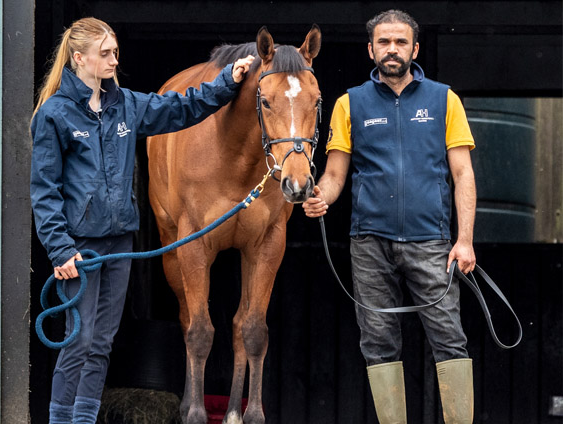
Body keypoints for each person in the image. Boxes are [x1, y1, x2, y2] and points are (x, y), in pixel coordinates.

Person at [30, 17, 254, 424]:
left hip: (120, 242)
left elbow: (184, 107)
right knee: (77, 341)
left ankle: (84, 419)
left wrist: (228, 80)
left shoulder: (127, 105)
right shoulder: (55, 115)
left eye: (115, 51)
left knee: (102, 342)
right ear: (79, 58)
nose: (115, 60)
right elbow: (44, 190)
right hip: (78, 246)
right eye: (106, 53)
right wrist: (60, 249)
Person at [303, 9, 476, 424]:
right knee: (378, 343)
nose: (392, 49)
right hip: (370, 242)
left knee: (450, 339)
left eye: (400, 42)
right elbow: (334, 174)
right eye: (384, 42)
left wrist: (464, 239)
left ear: (415, 48)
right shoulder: (350, 103)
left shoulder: (444, 99)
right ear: (370, 49)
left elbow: (463, 173)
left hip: (431, 241)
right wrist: (319, 198)